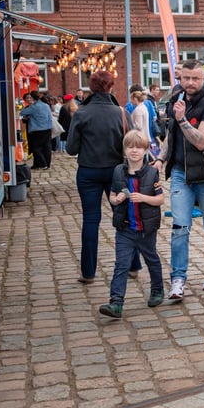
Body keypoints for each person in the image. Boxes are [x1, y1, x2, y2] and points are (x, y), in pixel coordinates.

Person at [152, 59, 204, 302]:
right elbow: (171, 137)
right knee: (179, 228)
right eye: (186, 78)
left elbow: (203, 141)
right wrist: (160, 159)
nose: (190, 82)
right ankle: (178, 278)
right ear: (180, 78)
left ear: (203, 79)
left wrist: (183, 119)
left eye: (195, 78)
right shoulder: (175, 100)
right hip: (181, 174)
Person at [67, 70, 139, 284]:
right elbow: (132, 142)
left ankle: (88, 272)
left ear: (91, 88)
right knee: (124, 216)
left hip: (88, 171)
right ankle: (133, 265)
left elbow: (71, 149)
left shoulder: (82, 112)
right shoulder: (121, 112)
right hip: (116, 171)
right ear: (110, 87)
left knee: (91, 219)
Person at [98, 130, 165, 318]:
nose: (134, 151)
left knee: (152, 260)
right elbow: (112, 195)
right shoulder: (118, 171)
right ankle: (116, 303)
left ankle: (157, 290)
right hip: (125, 228)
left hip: (146, 229)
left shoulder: (152, 173)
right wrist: (116, 199)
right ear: (125, 150)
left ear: (145, 150)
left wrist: (143, 197)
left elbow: (160, 200)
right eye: (130, 147)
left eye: (138, 147)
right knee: (121, 264)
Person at [20, 91, 53, 170]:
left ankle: (42, 164)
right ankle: (46, 164)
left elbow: (22, 112)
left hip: (38, 129)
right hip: (47, 128)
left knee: (36, 148)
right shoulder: (46, 105)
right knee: (46, 147)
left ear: (32, 98)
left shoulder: (34, 106)